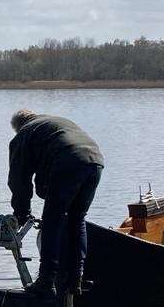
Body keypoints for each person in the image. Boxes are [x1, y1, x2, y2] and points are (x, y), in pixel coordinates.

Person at [7, 110, 105, 295]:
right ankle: (75, 279)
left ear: (17, 127)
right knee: (77, 219)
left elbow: (19, 180)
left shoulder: (23, 135)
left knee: (52, 220)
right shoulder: (52, 124)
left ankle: (46, 280)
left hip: (68, 160)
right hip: (95, 161)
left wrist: (21, 213)